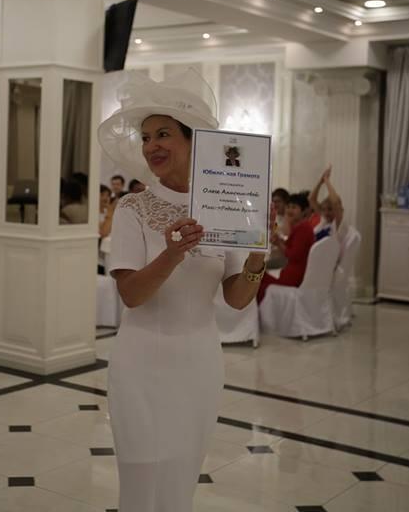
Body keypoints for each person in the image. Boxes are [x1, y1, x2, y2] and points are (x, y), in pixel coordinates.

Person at [98, 71, 264, 511]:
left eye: (163, 134)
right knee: (141, 475)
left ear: (193, 142)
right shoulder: (132, 208)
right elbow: (131, 295)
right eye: (146, 137)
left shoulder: (226, 206)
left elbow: (236, 298)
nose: (151, 145)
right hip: (141, 360)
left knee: (181, 475)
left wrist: (256, 261)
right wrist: (172, 254)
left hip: (200, 362)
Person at [257, 193, 315, 301]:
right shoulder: (301, 226)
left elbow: (293, 255)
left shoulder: (303, 229)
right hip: (294, 273)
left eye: (294, 207)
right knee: (259, 275)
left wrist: (279, 243)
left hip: (294, 278)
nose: (290, 210)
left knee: (256, 279)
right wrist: (279, 241)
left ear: (304, 211)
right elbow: (291, 246)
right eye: (288, 207)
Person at [309, 165, 347, 243]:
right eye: (323, 209)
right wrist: (320, 181)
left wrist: (327, 181)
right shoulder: (324, 220)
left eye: (330, 209)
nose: (326, 212)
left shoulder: (338, 223)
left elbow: (335, 202)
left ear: (339, 210)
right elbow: (311, 199)